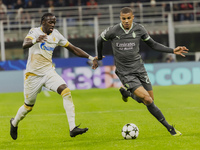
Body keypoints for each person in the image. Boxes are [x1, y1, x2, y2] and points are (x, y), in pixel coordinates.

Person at [96, 7, 188, 136]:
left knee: (149, 100)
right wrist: (99, 58)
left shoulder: (139, 29)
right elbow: (99, 40)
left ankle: (127, 94)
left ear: (133, 17)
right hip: (125, 72)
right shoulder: (113, 31)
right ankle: (170, 128)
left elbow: (153, 44)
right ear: (120, 18)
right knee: (147, 99)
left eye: (128, 18)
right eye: (124, 18)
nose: (126, 21)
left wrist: (172, 50)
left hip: (140, 68)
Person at [10, 12, 98, 140]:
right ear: (43, 22)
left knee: (66, 91)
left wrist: (91, 57)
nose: (53, 25)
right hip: (33, 75)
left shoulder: (56, 35)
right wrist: (36, 40)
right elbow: (25, 44)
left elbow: (73, 48)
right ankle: (14, 123)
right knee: (28, 107)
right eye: (50, 22)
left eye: (54, 22)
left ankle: (72, 128)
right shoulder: (34, 32)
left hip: (48, 72)